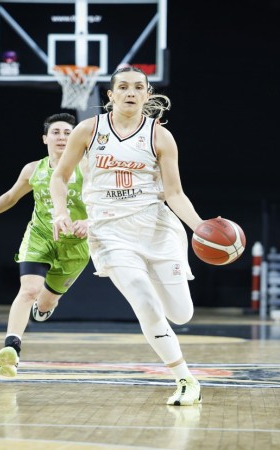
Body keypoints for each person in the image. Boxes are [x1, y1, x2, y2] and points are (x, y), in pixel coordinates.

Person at [50, 66, 205, 406]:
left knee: (181, 314)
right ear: (111, 95)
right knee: (144, 301)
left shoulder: (160, 136)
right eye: (123, 87)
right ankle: (185, 379)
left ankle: (161, 307)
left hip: (156, 227)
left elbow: (175, 193)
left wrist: (201, 227)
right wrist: (61, 213)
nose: (130, 92)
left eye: (138, 87)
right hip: (109, 231)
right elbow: (59, 177)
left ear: (148, 94)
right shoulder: (88, 130)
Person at [0, 113, 90, 378]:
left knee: (45, 304)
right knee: (29, 289)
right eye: (56, 132)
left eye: (68, 133)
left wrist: (89, 222)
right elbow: (10, 197)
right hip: (40, 236)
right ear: (45, 139)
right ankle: (12, 349)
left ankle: (42, 309)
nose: (62, 137)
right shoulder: (33, 169)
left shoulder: (88, 167)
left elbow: (108, 202)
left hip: (76, 245)